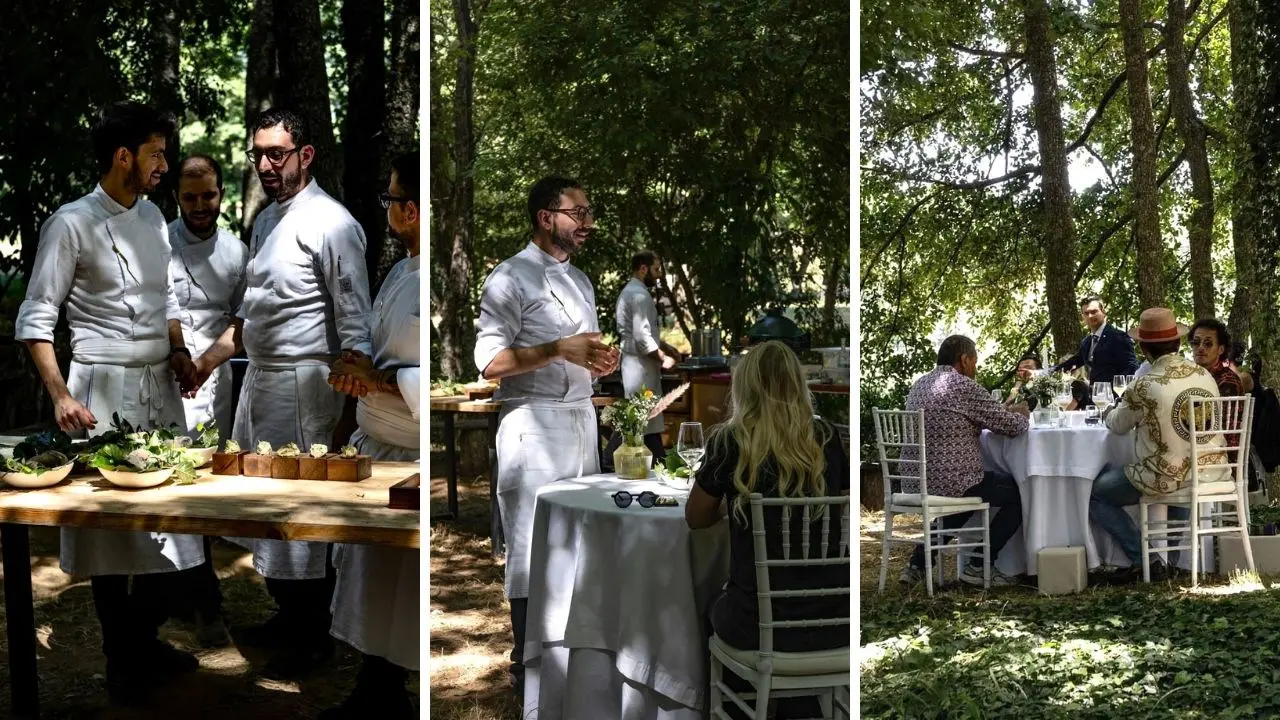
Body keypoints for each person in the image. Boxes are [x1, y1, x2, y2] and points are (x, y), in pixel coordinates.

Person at [14, 101, 205, 704]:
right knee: (109, 535)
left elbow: (168, 294)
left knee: (171, 523)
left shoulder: (153, 218)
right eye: (156, 154)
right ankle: (122, 655)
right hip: (99, 392)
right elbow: (36, 317)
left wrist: (177, 350)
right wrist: (61, 395)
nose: (164, 165)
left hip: (159, 387)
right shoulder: (70, 223)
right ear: (124, 156)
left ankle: (142, 641)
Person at [192, 108, 373, 677]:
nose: (267, 165)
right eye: (259, 154)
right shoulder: (267, 220)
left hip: (307, 387)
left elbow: (355, 322)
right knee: (264, 510)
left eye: (278, 153)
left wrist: (349, 409)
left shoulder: (333, 223)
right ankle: (287, 613)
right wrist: (205, 363)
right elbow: (249, 314)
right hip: (261, 381)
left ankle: (312, 633)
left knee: (303, 513)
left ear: (306, 155)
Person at [473, 175, 620, 695]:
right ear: (545, 217)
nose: (588, 222)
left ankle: (576, 657)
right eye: (577, 212)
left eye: (589, 212)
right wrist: (559, 349)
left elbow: (581, 353)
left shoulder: (581, 281)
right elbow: (490, 362)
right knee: (533, 547)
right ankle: (526, 665)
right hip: (531, 429)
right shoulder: (508, 278)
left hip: (580, 422)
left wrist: (599, 361)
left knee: (584, 543)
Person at [685, 341, 848, 720]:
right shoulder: (826, 438)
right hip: (832, 620)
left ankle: (740, 711)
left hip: (756, 626)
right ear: (797, 383)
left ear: (746, 386)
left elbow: (695, 517)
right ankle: (800, 708)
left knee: (712, 604)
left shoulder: (731, 440)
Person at [319, 152, 421, 719]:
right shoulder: (400, 269)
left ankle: (389, 693)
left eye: (389, 200)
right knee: (371, 581)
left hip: (407, 455)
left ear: (408, 209)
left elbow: (425, 375)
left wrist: (378, 379)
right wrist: (361, 369)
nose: (386, 210)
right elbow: (388, 356)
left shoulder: (427, 277)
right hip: (374, 445)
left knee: (398, 586)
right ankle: (374, 686)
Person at [166, 154, 246, 648]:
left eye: (209, 195)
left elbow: (241, 322)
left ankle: (201, 595)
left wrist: (208, 364)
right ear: (177, 195)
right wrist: (178, 358)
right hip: (165, 376)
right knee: (166, 484)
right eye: (190, 196)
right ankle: (188, 594)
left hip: (213, 381)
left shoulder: (238, 253)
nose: (200, 205)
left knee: (204, 491)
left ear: (221, 194)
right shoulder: (156, 241)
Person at [1090, 308, 1228, 581]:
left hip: (1166, 476)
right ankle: (1172, 561)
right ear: (1178, 343)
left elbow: (1118, 426)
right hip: (1210, 469)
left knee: (1096, 494)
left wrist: (1105, 410)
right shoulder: (1203, 375)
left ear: (1143, 347)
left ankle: (1148, 559)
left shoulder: (1144, 384)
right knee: (1182, 472)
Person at [900, 335, 1029, 587]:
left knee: (966, 499)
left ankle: (916, 564)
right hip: (953, 480)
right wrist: (1023, 414)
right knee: (1019, 493)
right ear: (964, 359)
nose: (976, 368)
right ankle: (980, 564)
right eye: (975, 361)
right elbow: (1009, 425)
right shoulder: (963, 386)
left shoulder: (919, 385)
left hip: (916, 479)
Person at [611, 249, 680, 462]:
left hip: (638, 366)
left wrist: (667, 347)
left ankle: (658, 461)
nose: (658, 274)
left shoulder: (632, 292)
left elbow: (645, 334)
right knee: (639, 421)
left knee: (642, 422)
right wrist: (664, 358)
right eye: (656, 269)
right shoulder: (639, 295)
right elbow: (642, 338)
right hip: (640, 368)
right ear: (643, 268)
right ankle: (609, 458)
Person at [1055, 295, 1140, 385]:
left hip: (1114, 396)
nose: (1090, 316)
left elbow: (1131, 368)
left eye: (1094, 312)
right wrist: (1049, 371)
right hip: (1095, 395)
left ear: (1103, 312)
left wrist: (1117, 391)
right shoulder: (1087, 341)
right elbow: (1075, 361)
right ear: (1082, 316)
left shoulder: (1118, 337)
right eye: (1086, 313)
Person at [1190, 319, 1243, 399]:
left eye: (1208, 344)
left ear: (1221, 349)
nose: (1200, 348)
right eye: (1196, 342)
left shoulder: (1228, 381)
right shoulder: (1190, 376)